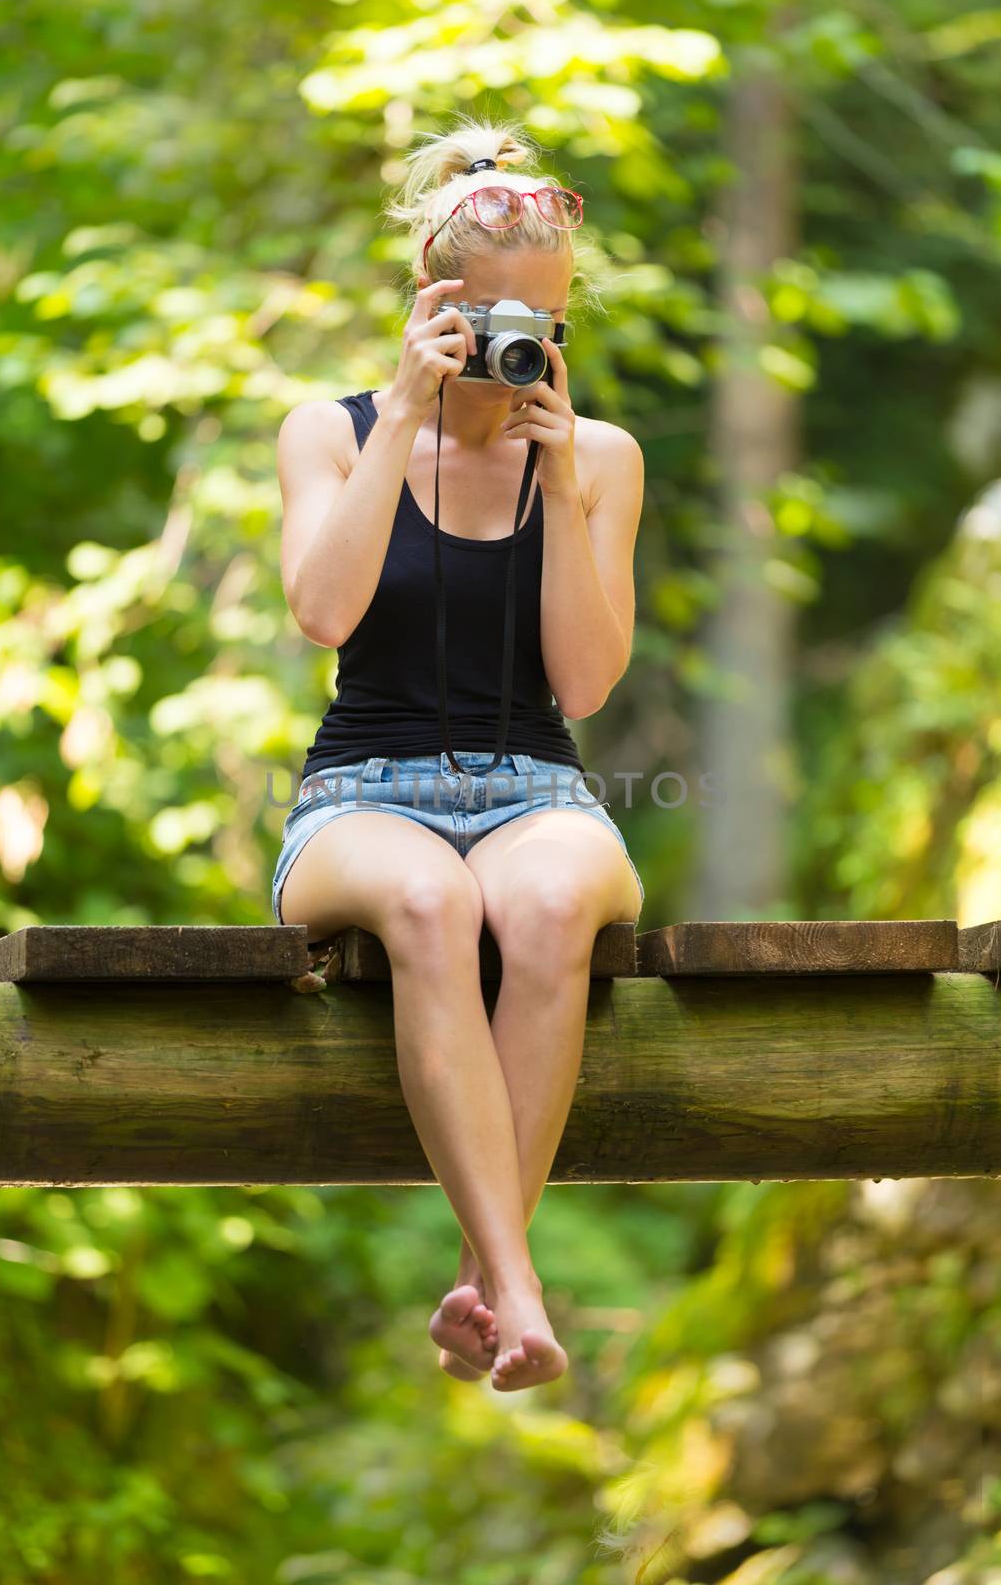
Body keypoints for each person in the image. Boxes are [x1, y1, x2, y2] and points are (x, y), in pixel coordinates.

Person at [272, 117, 645, 1393]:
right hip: (359, 793)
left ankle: (487, 1283)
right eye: (485, 316)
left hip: (536, 787)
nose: (510, 347)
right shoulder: (328, 432)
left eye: (536, 322)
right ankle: (516, 1282)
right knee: (432, 899)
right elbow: (322, 614)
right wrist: (402, 417)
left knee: (543, 900)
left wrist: (563, 492)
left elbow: (586, 682)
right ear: (432, 301)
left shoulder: (595, 457)